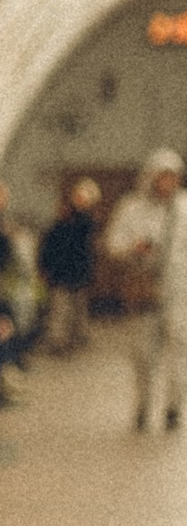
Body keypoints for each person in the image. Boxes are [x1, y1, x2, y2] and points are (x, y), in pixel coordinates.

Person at [98, 148, 186, 432]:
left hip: (179, 293)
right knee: (143, 355)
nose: (167, 183)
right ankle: (143, 404)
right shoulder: (132, 207)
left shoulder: (184, 209)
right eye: (162, 177)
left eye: (172, 177)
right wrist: (133, 248)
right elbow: (112, 244)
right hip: (144, 290)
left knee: (180, 352)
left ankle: (174, 406)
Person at [37, 179, 100, 357]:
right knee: (60, 308)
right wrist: (46, 267)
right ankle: (57, 342)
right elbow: (51, 244)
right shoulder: (61, 221)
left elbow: (86, 248)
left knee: (77, 308)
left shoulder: (86, 222)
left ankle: (74, 339)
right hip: (61, 272)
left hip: (77, 272)